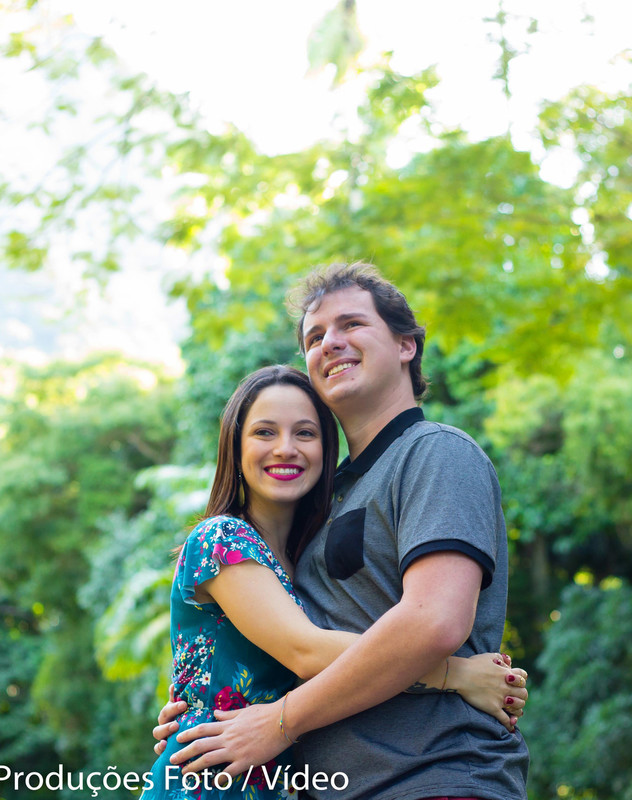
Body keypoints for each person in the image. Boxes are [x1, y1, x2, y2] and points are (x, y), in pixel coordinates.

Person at [157, 263, 530, 799]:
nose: (330, 342)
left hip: (432, 775)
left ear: (405, 345)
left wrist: (280, 721)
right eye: (314, 337)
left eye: (351, 324)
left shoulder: (435, 453)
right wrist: (202, 701)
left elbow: (434, 622)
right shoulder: (323, 503)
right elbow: (291, 647)